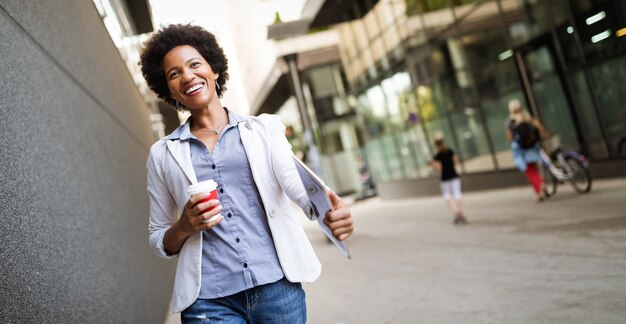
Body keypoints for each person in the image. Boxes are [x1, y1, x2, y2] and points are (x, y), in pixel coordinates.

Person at [139, 24, 353, 323]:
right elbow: (158, 237)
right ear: (168, 88)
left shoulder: (264, 129)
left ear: (213, 69)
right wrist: (185, 226)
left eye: (194, 64)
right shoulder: (163, 153)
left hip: (277, 288)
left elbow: (295, 183)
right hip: (209, 303)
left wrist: (326, 209)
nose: (187, 76)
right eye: (174, 74)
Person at [506, 99, 547, 202]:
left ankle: (539, 187)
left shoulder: (510, 121)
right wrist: (544, 134)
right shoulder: (527, 116)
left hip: (521, 149)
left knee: (529, 171)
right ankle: (540, 188)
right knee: (534, 168)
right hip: (532, 146)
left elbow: (510, 137)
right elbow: (538, 126)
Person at [430, 136, 468, 224]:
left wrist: (433, 165)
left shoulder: (437, 155)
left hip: (445, 178)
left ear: (436, 145)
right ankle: (463, 214)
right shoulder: (450, 151)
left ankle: (456, 212)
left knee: (447, 196)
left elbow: (439, 168)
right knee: (457, 194)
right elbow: (456, 161)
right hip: (454, 175)